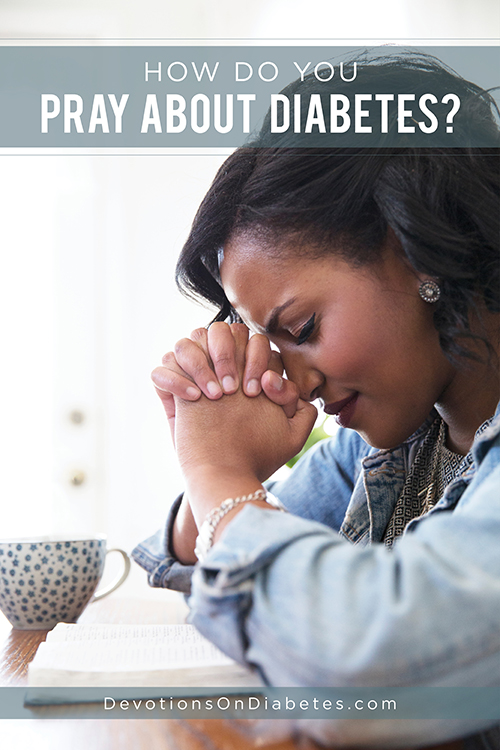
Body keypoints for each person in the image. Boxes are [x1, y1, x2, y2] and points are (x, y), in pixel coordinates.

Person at [132, 53, 500, 747]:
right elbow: (207, 581)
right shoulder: (385, 447)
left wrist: (218, 473)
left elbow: (366, 665)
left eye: (301, 331)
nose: (294, 382)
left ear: (417, 250)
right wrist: (205, 446)